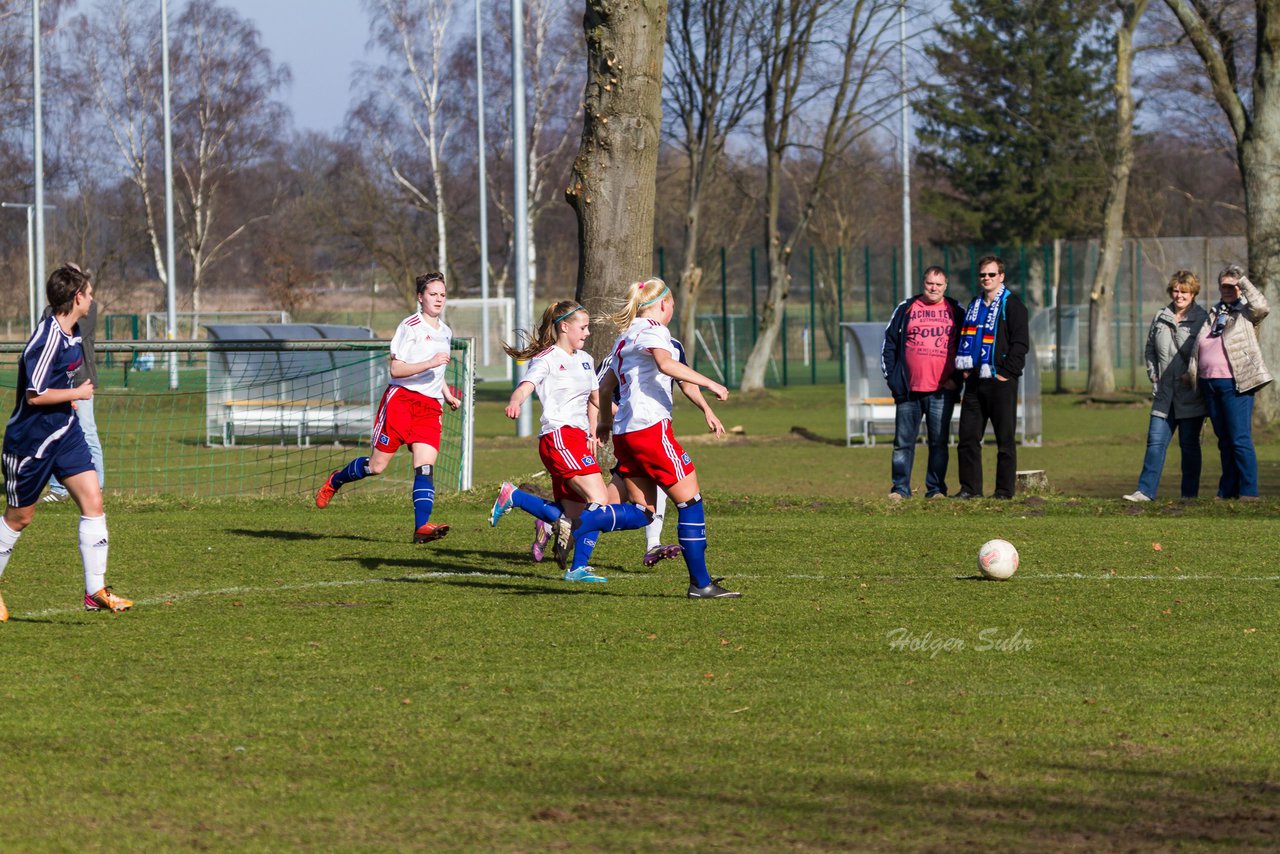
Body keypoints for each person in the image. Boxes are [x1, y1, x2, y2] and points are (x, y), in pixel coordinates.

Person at [0, 264, 133, 621]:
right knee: (20, 518)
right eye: (89, 293)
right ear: (77, 298)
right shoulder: (48, 338)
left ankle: (95, 591)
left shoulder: (72, 331)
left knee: (93, 499)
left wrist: (68, 399)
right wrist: (75, 392)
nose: (93, 298)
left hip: (65, 433)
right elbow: (34, 394)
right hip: (31, 442)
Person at [593, 278, 740, 599]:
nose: (672, 309)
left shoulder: (624, 337)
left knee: (643, 510)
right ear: (663, 304)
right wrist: (713, 384)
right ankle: (701, 584)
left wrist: (605, 421)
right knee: (690, 502)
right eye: (672, 304)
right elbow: (665, 363)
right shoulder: (655, 331)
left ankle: (574, 520)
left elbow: (604, 388)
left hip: (625, 433)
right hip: (650, 430)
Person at [314, 272, 461, 541]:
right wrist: (429, 362)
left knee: (425, 467)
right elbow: (396, 368)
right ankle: (336, 480)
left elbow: (438, 372)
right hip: (401, 402)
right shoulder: (410, 326)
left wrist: (447, 394)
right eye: (433, 294)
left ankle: (421, 527)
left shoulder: (446, 332)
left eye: (442, 295)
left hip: (430, 407)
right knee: (377, 466)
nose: (438, 299)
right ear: (420, 297)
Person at [488, 300, 610, 583]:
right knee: (600, 500)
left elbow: (596, 399)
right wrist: (515, 401)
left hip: (577, 439)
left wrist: (615, 417)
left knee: (575, 515)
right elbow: (526, 385)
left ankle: (515, 496)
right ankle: (578, 567)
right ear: (564, 327)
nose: (588, 332)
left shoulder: (585, 359)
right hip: (559, 437)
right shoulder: (547, 359)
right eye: (584, 327)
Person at [598, 335, 725, 567]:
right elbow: (598, 392)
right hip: (640, 432)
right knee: (687, 498)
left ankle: (567, 519)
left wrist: (707, 409)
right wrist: (608, 420)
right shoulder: (623, 346)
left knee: (627, 504)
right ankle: (565, 518)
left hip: (641, 433)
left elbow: (685, 381)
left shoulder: (672, 345)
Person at [1124, 271, 1209, 502]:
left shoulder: (1203, 319)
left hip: (1190, 395)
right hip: (1163, 394)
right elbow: (1150, 348)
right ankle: (1145, 491)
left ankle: (1189, 496)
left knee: (1189, 446)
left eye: (1184, 291)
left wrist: (1191, 376)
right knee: (1155, 442)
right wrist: (1153, 373)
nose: (1179, 295)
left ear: (1193, 293)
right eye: (1175, 290)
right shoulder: (1160, 316)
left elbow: (1205, 354)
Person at [1188, 264, 1271, 500]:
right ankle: (1227, 490)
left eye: (1231, 285)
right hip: (1209, 383)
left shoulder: (1247, 312)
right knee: (1224, 440)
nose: (1226, 289)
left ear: (1240, 287)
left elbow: (1263, 306)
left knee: (1239, 438)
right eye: (1223, 285)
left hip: (1236, 383)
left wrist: (1241, 281)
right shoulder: (1216, 312)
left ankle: (1249, 491)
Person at [880, 265, 963, 500]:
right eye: (929, 283)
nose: (933, 288)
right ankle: (900, 489)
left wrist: (955, 381)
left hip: (941, 392)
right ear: (923, 283)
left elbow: (967, 345)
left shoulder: (955, 310)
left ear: (945, 286)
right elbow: (889, 344)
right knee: (902, 443)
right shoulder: (906, 308)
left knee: (939, 444)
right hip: (909, 391)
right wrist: (896, 382)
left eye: (938, 284)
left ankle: (936, 490)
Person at [954, 255, 1030, 499]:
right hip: (975, 381)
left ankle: (1003, 491)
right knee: (967, 437)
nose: (986, 278)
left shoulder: (1012, 304)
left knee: (1004, 440)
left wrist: (1007, 373)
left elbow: (1020, 343)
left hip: (1000, 381)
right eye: (983, 275)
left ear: (1001, 276)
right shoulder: (974, 304)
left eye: (991, 274)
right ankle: (970, 489)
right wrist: (965, 369)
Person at [42, 299, 105, 502]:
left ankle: (97, 485)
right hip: (57, 381)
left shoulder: (89, 307)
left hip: (80, 379)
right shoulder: (49, 311)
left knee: (87, 432)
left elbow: (70, 334)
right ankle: (58, 489)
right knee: (55, 432)